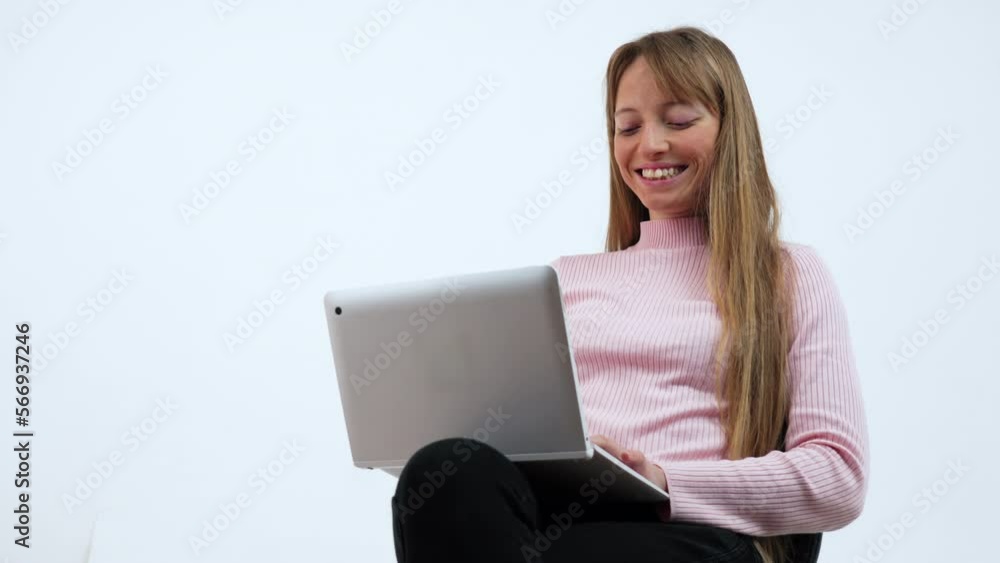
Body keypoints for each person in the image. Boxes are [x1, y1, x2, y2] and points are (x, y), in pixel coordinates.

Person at [390, 26, 869, 563]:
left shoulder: (787, 274)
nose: (650, 145)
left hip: (695, 537)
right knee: (443, 469)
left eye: (680, 120)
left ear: (730, 129)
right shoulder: (562, 280)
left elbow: (838, 477)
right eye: (627, 127)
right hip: (553, 523)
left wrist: (663, 481)